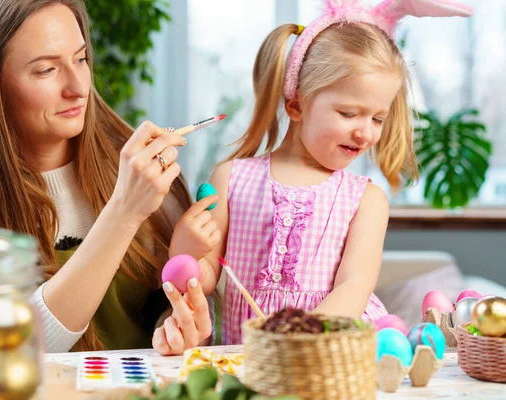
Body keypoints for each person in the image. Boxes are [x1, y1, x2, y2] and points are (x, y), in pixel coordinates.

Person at [0, 0, 216, 354]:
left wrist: (177, 324)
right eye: (46, 70)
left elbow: (168, 308)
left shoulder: (142, 174)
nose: (78, 87)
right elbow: (10, 353)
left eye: (80, 59)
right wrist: (123, 212)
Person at [176, 0, 473, 344]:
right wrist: (187, 250)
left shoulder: (366, 198)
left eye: (377, 118)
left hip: (329, 351)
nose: (365, 132)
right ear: (297, 104)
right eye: (349, 113)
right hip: (252, 358)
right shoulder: (231, 178)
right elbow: (206, 275)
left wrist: (299, 340)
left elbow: (355, 285)